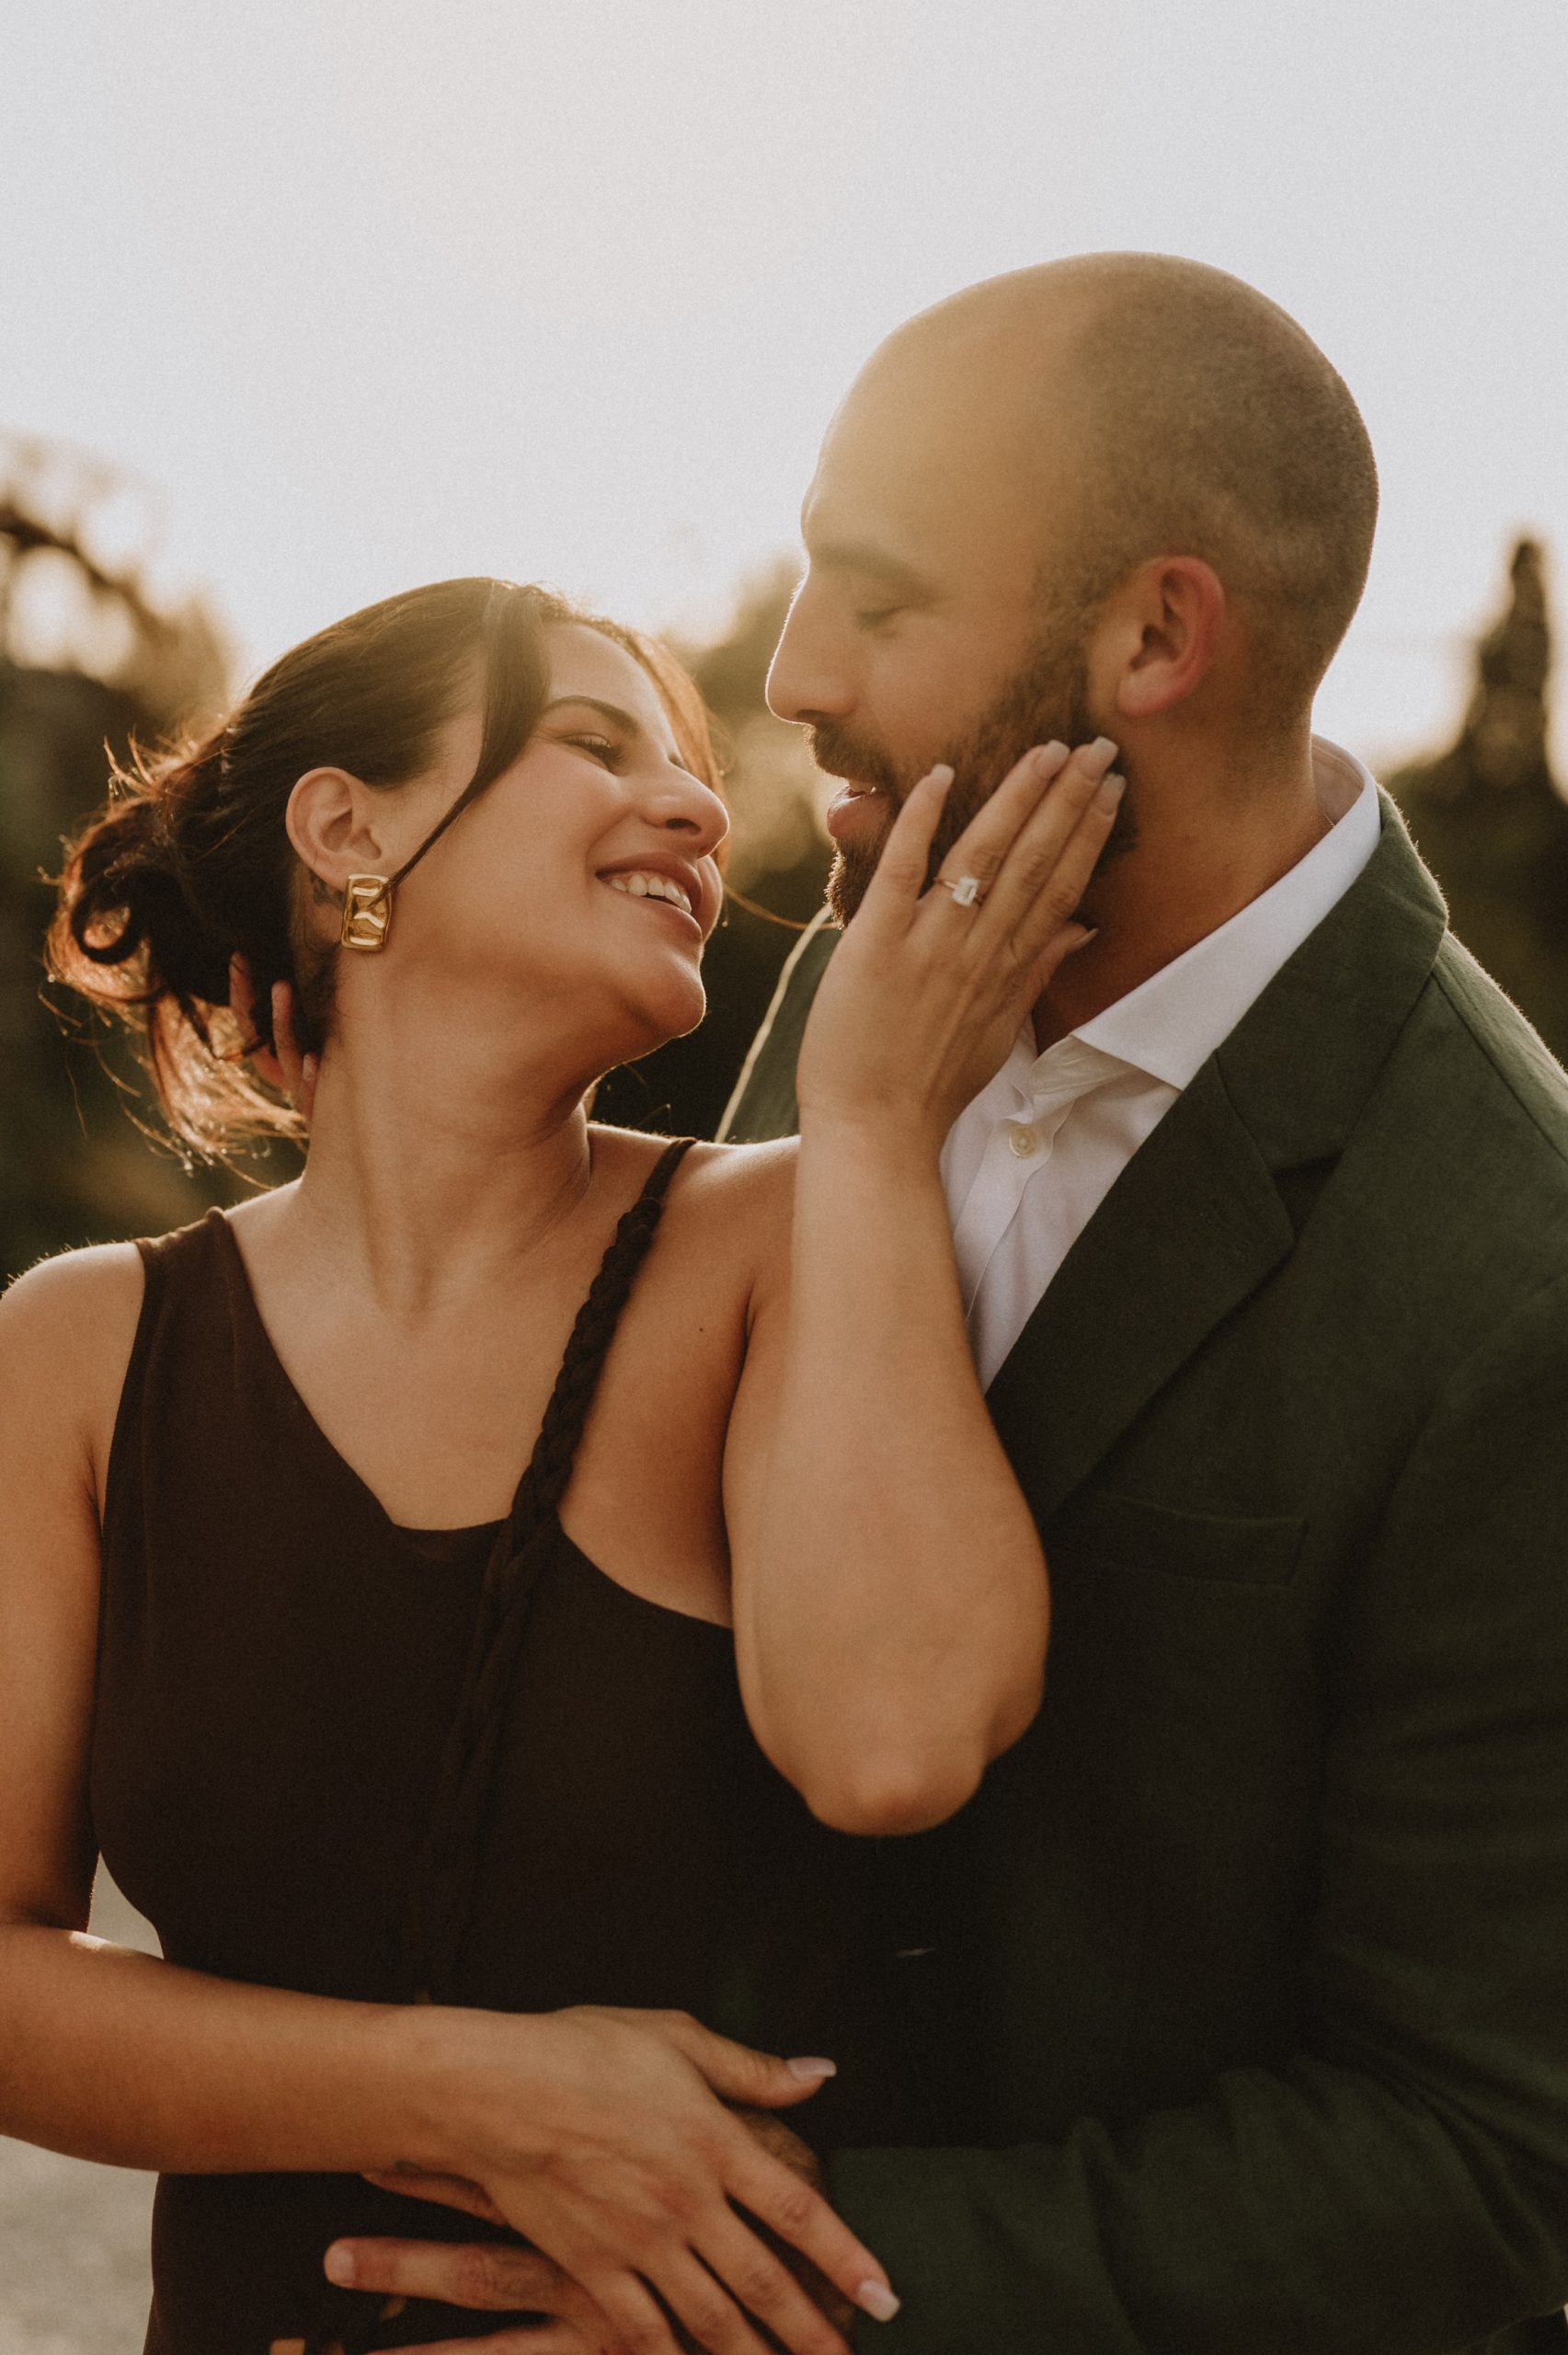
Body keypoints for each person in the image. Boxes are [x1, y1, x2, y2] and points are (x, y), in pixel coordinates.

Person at [345, 258, 1568, 2352]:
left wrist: (751, 2283)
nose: (797, 670)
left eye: (880, 599)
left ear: (1156, 634)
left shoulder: (1511, 1271)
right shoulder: (877, 951)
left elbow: (1477, 2160)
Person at [0, 574, 1123, 2355]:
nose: (692, 805)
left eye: (687, 767)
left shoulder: (785, 1234)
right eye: (591, 744)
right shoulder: (82, 1349)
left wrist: (879, 1129)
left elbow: (896, 1738)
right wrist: (478, 2094)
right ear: (344, 826)